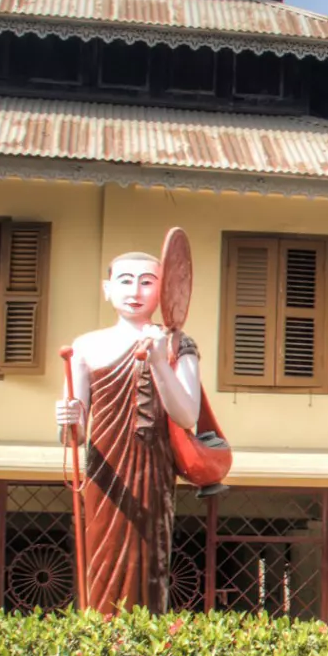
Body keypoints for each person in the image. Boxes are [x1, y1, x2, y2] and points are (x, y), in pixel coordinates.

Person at [56, 251, 202, 614]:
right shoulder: (86, 346)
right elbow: (73, 435)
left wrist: (157, 362)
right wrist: (67, 418)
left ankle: (146, 643)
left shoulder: (178, 344)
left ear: (162, 291)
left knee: (149, 563)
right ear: (107, 289)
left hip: (153, 469)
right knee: (101, 562)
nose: (135, 290)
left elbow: (186, 414)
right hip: (105, 472)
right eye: (125, 280)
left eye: (147, 281)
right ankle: (100, 640)